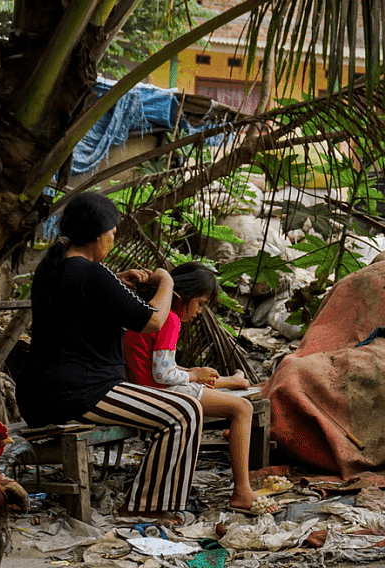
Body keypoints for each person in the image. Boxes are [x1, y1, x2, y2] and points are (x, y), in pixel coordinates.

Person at [15, 192, 200, 526]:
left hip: (38, 394)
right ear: (98, 234)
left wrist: (119, 285)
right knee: (184, 411)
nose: (113, 241)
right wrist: (167, 282)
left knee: (179, 410)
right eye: (113, 234)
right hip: (75, 391)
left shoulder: (50, 270)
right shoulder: (93, 274)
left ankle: (149, 499)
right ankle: (145, 505)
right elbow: (153, 321)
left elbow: (87, 304)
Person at [122, 262, 280, 515]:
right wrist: (193, 375)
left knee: (200, 378)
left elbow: (158, 366)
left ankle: (233, 381)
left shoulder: (145, 312)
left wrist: (193, 375)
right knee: (242, 408)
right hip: (159, 392)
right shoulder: (169, 320)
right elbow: (163, 374)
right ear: (180, 296)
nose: (199, 312)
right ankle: (242, 492)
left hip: (144, 387)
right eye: (201, 303)